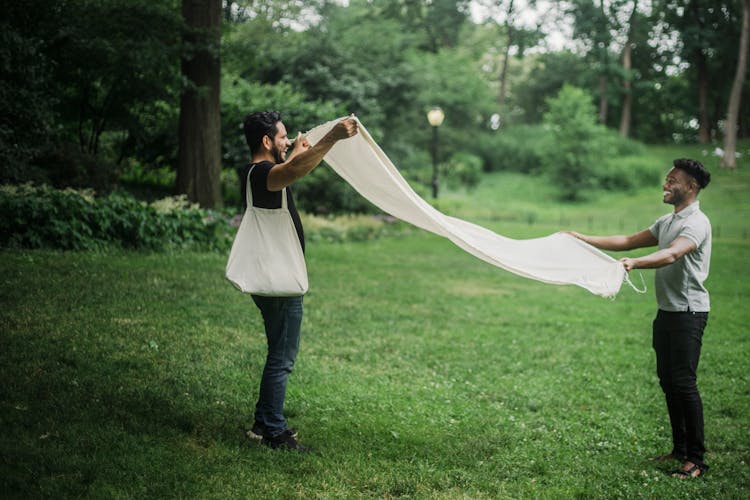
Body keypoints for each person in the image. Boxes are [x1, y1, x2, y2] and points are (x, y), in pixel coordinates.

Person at [567, 158, 712, 479]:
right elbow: (628, 240)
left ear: (691, 187)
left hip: (690, 313)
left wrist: (635, 263)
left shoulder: (697, 223)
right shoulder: (667, 221)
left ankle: (696, 460)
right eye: (666, 178)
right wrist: (583, 238)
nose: (665, 184)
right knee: (669, 383)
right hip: (667, 314)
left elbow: (672, 253)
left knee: (684, 385)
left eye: (672, 180)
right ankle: (679, 450)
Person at [240, 111, 358, 452]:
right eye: (281, 137)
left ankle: (263, 424)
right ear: (266, 141)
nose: (287, 141)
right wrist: (332, 137)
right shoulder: (262, 172)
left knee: (277, 351)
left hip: (269, 275)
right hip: (281, 279)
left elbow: (291, 171)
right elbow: (289, 172)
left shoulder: (254, 173)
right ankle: (274, 433)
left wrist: (297, 153)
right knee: (282, 357)